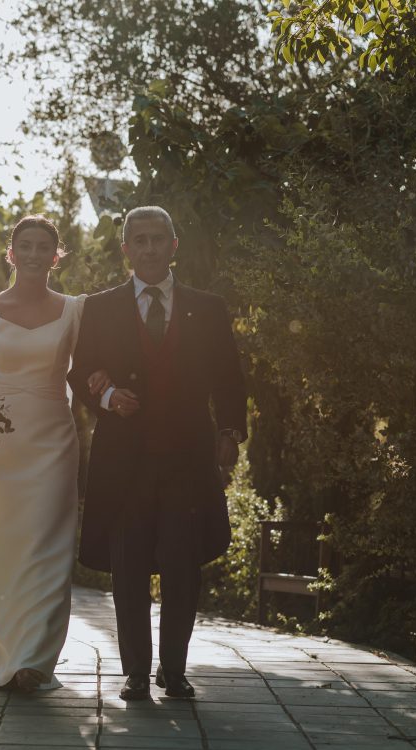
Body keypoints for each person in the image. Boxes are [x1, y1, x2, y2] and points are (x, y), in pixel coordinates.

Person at [67, 205, 247, 701]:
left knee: (181, 566)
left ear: (174, 245)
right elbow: (79, 371)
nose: (148, 248)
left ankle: (175, 669)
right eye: (138, 240)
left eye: (157, 239)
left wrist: (229, 431)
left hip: (187, 461)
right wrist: (105, 397)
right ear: (125, 249)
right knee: (128, 570)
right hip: (125, 463)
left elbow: (229, 378)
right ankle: (136, 673)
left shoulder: (207, 307)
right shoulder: (100, 307)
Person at [0, 214, 109, 693]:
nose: (33, 254)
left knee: (49, 549)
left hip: (52, 439)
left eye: (43, 246)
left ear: (56, 256)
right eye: (25, 246)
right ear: (11, 253)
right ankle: (11, 653)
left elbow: (87, 371)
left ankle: (35, 660)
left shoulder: (75, 310)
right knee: (6, 552)